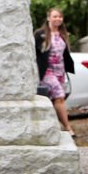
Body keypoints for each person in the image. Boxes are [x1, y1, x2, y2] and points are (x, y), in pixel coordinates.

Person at [34, 7, 75, 135]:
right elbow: (34, 53)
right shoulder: (40, 34)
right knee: (59, 96)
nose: (58, 19)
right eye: (55, 16)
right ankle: (68, 128)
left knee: (55, 100)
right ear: (48, 18)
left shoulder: (63, 34)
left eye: (60, 17)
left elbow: (64, 54)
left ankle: (53, 127)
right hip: (47, 71)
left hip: (60, 71)